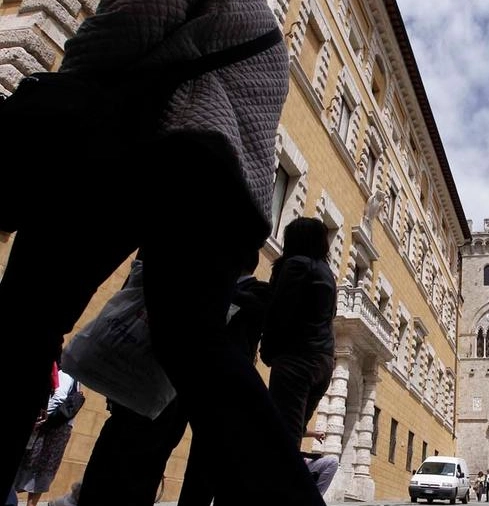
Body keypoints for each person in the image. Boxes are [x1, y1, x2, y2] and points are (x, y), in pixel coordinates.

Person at [0, 1, 326, 504]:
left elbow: (125, 27)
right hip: (228, 191)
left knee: (26, 317)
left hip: (149, 149)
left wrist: (63, 106)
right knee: (196, 350)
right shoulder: (269, 29)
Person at [77, 250, 274, 506]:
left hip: (181, 386)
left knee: (150, 450)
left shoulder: (251, 292)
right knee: (133, 447)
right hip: (158, 378)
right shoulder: (204, 278)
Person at [261, 217, 337, 449]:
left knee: (280, 437)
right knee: (292, 433)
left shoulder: (297, 265)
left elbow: (280, 310)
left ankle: (279, 484)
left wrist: (268, 349)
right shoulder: (327, 273)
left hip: (298, 361)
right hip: (323, 362)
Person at [14, 366, 79, 506]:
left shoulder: (65, 372)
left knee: (32, 463)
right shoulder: (76, 377)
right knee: (43, 470)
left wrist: (42, 416)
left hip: (50, 429)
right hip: (61, 429)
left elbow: (58, 397)